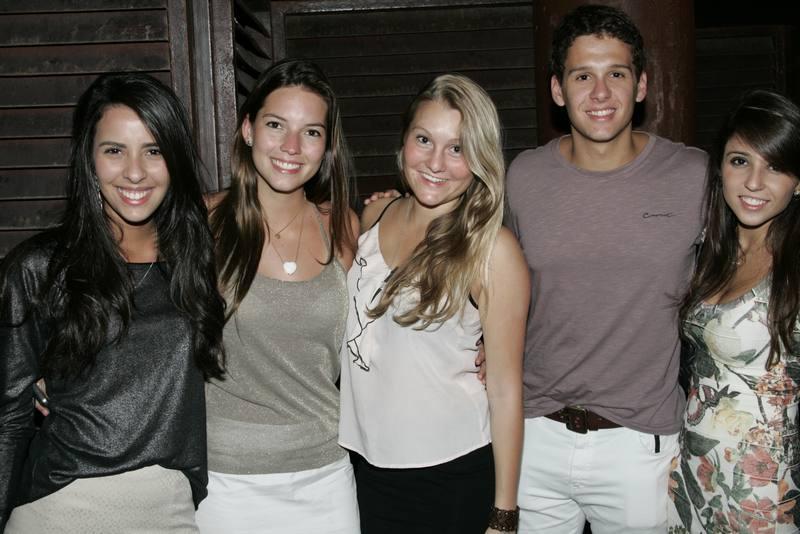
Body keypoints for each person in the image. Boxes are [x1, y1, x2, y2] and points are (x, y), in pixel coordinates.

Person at [505, 5, 707, 532]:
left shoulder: (692, 175)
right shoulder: (524, 176)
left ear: (641, 86)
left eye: (616, 74)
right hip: (534, 437)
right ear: (558, 90)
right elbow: (487, 277)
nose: (600, 93)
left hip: (640, 446)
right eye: (582, 76)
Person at [0, 73, 225, 532]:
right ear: (88, 157)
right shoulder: (41, 267)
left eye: (154, 150)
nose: (135, 172)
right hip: (59, 510)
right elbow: (9, 418)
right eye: (115, 150)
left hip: (170, 512)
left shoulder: (196, 258)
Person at [339, 73, 529, 534]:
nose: (436, 162)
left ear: (480, 159)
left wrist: (504, 515)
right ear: (404, 141)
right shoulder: (373, 214)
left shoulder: (493, 250)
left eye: (457, 148)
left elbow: (505, 390)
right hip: (363, 467)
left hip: (450, 474)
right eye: (424, 139)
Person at [194, 59, 361, 533]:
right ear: (248, 129)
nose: (291, 147)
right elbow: (124, 293)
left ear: (326, 146)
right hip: (225, 482)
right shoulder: (204, 222)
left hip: (325, 476)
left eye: (311, 132)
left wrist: (479, 344)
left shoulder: (344, 225)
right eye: (275, 125)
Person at [667, 90, 800, 532]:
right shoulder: (709, 251)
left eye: (775, 166)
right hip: (694, 470)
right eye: (740, 161)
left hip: (764, 489)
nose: (754, 182)